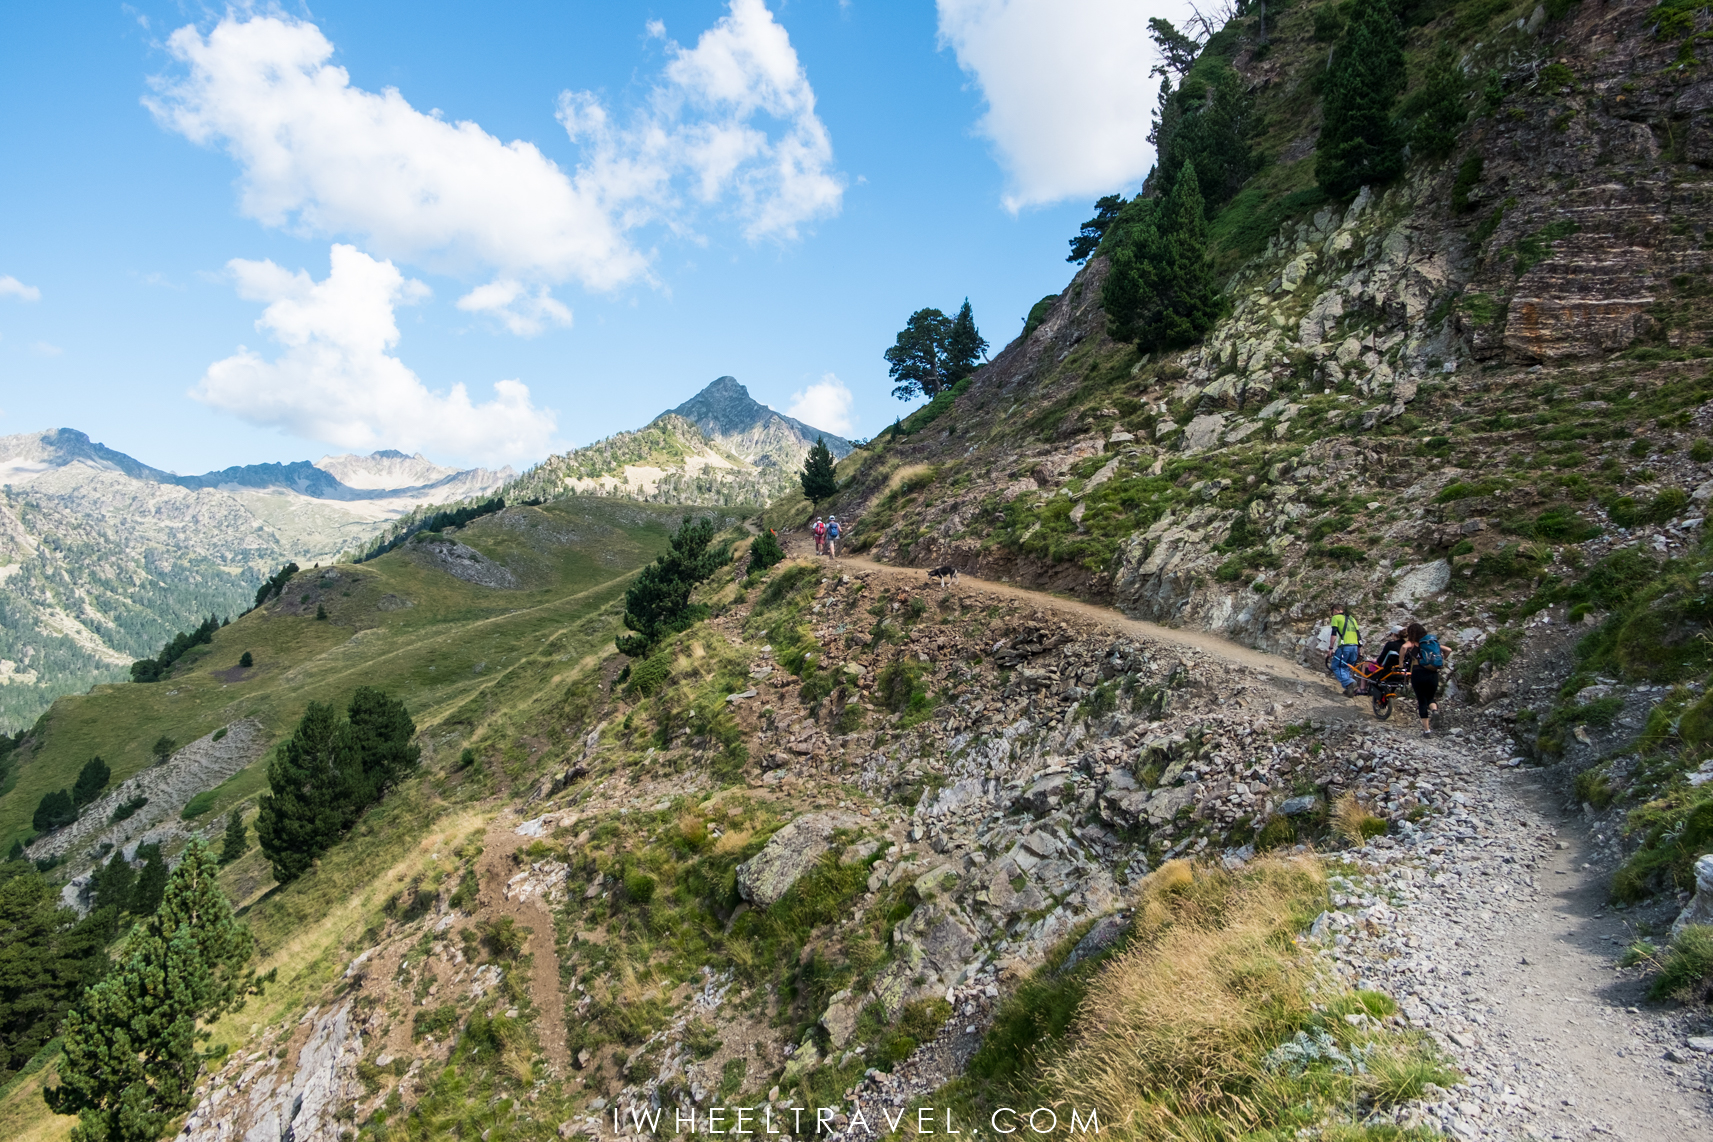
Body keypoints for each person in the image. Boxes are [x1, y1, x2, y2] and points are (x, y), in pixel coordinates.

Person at [1402, 621, 1441, 736]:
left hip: (1418, 673)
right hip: (1432, 673)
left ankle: (1427, 730)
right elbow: (1448, 650)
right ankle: (1434, 710)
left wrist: (1400, 663)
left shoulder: (1412, 643)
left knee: (1422, 701)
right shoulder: (1431, 643)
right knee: (1430, 698)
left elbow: (1404, 647)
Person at [1325, 604, 1362, 697]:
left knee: (1336, 666)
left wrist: (1330, 648)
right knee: (1346, 668)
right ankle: (1348, 689)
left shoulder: (1335, 618)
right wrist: (1359, 650)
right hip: (1355, 647)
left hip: (1345, 647)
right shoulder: (1352, 618)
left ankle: (1349, 682)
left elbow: (1334, 634)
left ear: (1335, 610)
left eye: (1332, 612)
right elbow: (1358, 635)